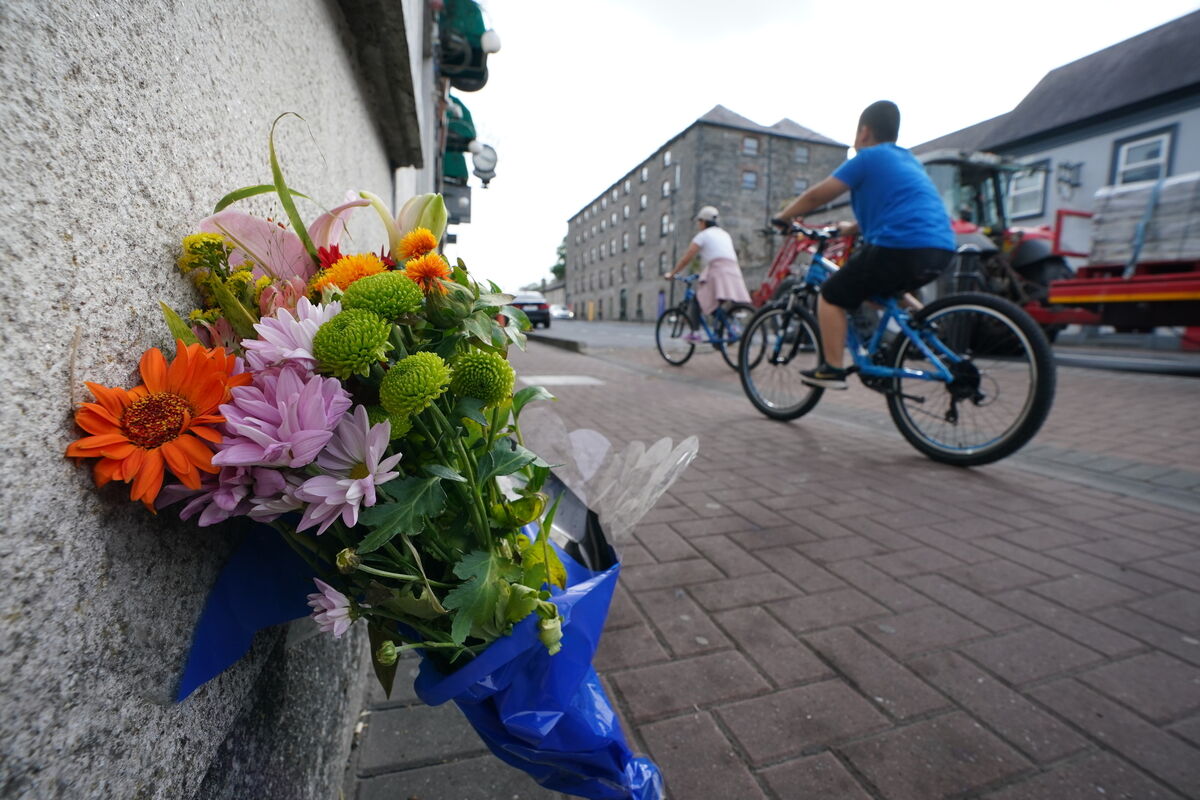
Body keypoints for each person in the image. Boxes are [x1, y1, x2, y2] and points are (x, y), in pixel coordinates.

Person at [773, 100, 954, 389]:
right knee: (878, 291)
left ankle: (832, 368)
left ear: (864, 132)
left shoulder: (868, 157)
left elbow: (817, 195)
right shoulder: (907, 160)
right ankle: (923, 320)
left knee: (831, 294)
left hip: (900, 245)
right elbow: (900, 206)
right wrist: (851, 228)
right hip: (940, 247)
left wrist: (784, 217)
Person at [663, 205, 752, 341]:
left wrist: (672, 273)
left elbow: (687, 257)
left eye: (699, 222)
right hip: (733, 270)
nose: (698, 225)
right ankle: (730, 327)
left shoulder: (703, 236)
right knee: (716, 302)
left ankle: (695, 333)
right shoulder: (725, 234)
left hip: (718, 270)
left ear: (703, 222)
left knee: (698, 299)